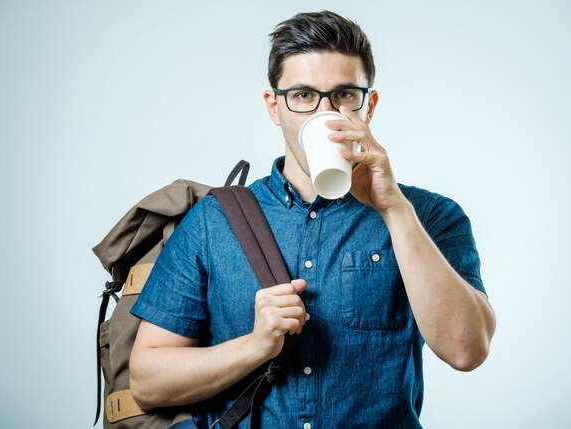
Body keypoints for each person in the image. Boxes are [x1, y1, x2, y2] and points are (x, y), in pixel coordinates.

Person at [129, 10, 496, 429]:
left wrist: (393, 208)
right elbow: (147, 381)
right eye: (303, 95)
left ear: (368, 105)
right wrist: (255, 346)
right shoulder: (215, 220)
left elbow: (468, 351)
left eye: (343, 95)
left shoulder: (428, 217)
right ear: (274, 106)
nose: (326, 112)